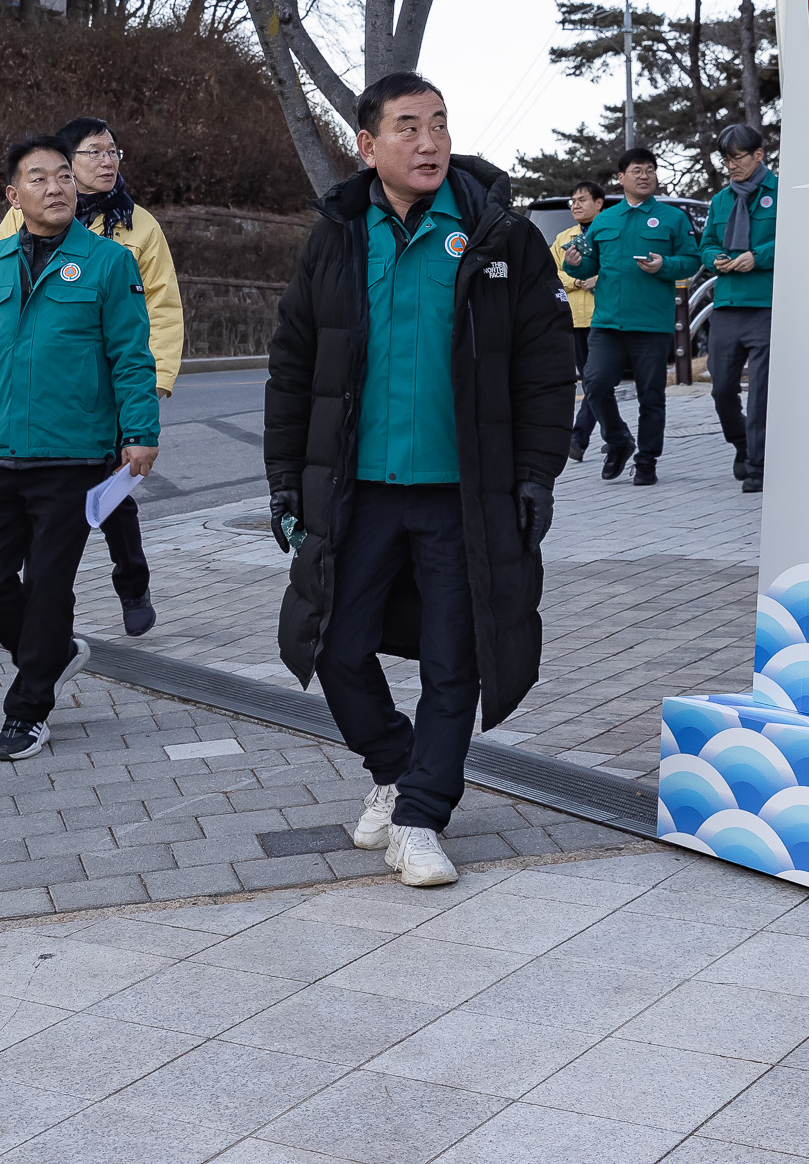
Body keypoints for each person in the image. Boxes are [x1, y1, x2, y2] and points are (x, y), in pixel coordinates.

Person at [264, 73, 572, 888]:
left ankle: (422, 813)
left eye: (439, 124)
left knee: (455, 655)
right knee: (333, 641)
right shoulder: (335, 235)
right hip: (355, 489)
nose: (429, 140)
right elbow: (295, 366)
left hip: (462, 491)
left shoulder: (497, 235)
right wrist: (285, 480)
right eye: (408, 126)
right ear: (368, 146)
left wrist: (537, 472)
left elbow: (547, 368)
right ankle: (397, 764)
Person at [0, 135, 160, 762]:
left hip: (74, 456)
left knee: (50, 584)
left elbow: (131, 356)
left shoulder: (109, 263)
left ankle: (29, 709)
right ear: (13, 194)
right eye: (40, 178)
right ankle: (51, 654)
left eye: (65, 176)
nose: (56, 187)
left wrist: (140, 433)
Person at [0, 116, 182, 635]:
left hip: (114, 387)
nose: (108, 161)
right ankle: (47, 614)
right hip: (50, 393)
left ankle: (132, 580)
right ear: (66, 164)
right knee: (45, 506)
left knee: (113, 495)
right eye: (95, 152)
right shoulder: (24, 216)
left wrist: (156, 378)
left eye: (113, 151)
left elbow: (161, 306)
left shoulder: (139, 225)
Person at [561, 146, 702, 484]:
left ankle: (647, 460)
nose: (645, 175)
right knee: (594, 384)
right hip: (607, 323)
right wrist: (573, 263)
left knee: (650, 396)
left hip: (651, 325)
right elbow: (589, 261)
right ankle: (618, 439)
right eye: (637, 170)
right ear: (621, 178)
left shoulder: (672, 219)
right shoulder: (605, 220)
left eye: (650, 170)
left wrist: (664, 265)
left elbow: (693, 260)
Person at [704, 123, 778, 493]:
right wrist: (715, 257)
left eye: (737, 158)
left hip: (764, 305)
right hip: (727, 305)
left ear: (758, 155)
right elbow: (706, 244)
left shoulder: (781, 193)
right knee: (721, 389)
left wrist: (759, 257)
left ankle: (758, 466)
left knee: (761, 390)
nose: (731, 166)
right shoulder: (721, 200)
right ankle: (741, 444)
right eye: (726, 160)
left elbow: (801, 238)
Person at [549, 179, 607, 462]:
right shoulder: (563, 238)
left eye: (582, 200)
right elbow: (550, 272)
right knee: (591, 381)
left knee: (596, 381)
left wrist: (599, 279)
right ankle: (615, 435)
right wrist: (576, 280)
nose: (575, 205)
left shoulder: (608, 231)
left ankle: (579, 437)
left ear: (599, 203)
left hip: (603, 318)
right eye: (572, 201)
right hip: (573, 319)